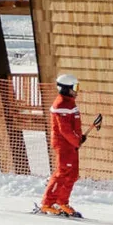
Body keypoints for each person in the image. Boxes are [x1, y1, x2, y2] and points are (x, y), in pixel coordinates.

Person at [39, 72, 84, 217]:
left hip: (71, 144)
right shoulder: (61, 105)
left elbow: (73, 126)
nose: (76, 90)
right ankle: (47, 203)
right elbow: (64, 129)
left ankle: (62, 201)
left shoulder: (69, 103)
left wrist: (79, 138)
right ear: (65, 88)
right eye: (74, 87)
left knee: (73, 174)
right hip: (64, 145)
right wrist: (76, 140)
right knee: (62, 172)